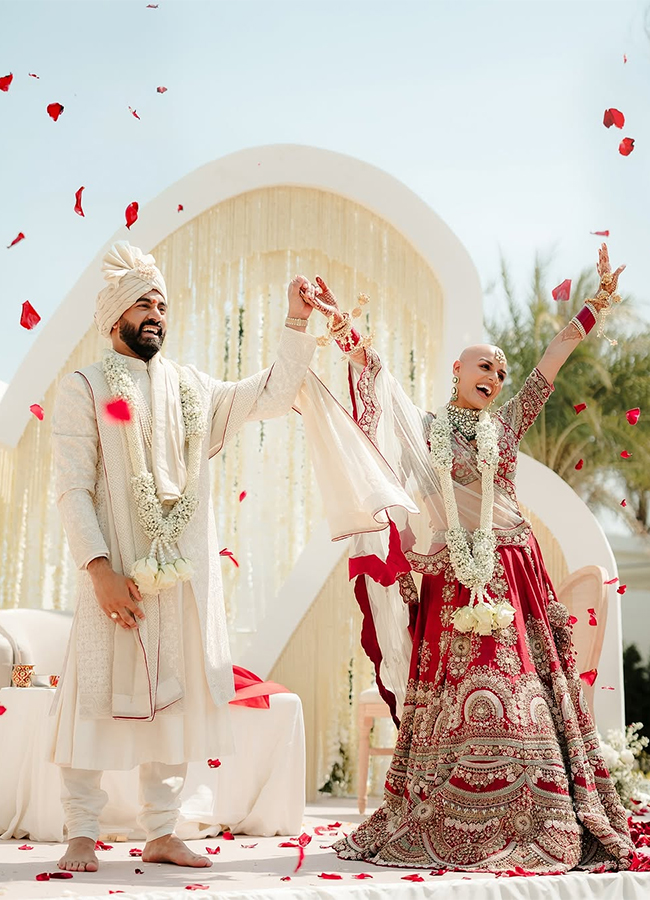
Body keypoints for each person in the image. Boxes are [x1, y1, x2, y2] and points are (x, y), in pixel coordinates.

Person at [303, 245, 634, 872]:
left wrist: (593, 307)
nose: (498, 375)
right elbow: (375, 376)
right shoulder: (424, 430)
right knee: (453, 696)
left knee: (520, 690)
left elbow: (552, 362)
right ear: (458, 370)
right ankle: (445, 811)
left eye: (502, 372)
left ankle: (530, 812)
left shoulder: (508, 424)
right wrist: (340, 324)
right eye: (486, 364)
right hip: (451, 577)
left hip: (512, 573)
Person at [50, 241, 318, 872]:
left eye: (162, 304)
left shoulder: (191, 388)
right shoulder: (86, 389)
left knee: (171, 703)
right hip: (115, 576)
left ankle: (163, 831)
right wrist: (100, 572)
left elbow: (271, 394)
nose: (155, 314)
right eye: (142, 302)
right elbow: (71, 485)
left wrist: (297, 323)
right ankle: (81, 830)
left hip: (179, 580)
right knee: (96, 692)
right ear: (114, 316)